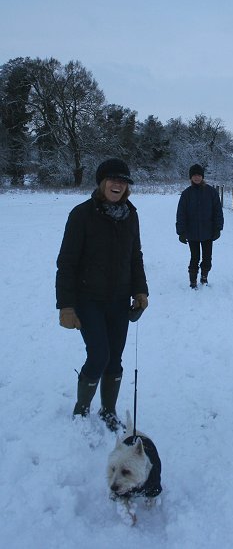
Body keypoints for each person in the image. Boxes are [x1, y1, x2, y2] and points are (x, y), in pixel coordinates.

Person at [56, 158, 149, 431]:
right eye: (112, 179)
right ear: (101, 182)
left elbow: (135, 257)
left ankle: (108, 410)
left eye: (123, 181)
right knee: (99, 355)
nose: (118, 184)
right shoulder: (81, 214)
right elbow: (67, 262)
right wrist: (66, 306)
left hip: (119, 300)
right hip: (88, 299)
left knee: (115, 358)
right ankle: (81, 408)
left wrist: (140, 291)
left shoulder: (131, 215)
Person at [176, 163, 224, 288]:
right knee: (194, 257)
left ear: (202, 176)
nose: (197, 178)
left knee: (207, 257)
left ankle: (204, 277)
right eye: (194, 175)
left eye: (199, 175)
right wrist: (181, 232)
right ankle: (193, 281)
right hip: (192, 233)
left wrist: (218, 228)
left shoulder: (211, 192)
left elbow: (218, 211)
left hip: (208, 232)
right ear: (191, 177)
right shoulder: (186, 194)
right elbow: (181, 213)